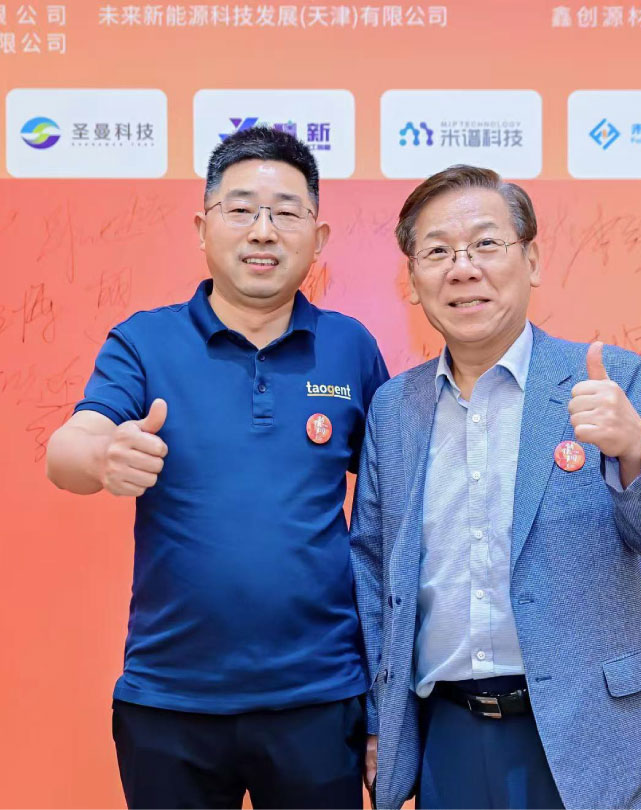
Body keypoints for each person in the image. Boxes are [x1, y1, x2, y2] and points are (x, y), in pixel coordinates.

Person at [46, 126, 389, 809]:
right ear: (203, 228)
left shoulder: (350, 348)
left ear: (318, 238)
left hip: (319, 698)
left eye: (286, 212)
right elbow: (68, 449)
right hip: (170, 700)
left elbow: (393, 509)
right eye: (241, 210)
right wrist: (103, 455)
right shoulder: (144, 341)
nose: (263, 231)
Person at [351, 165, 641, 809]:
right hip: (448, 733)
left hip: (593, 732)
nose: (463, 269)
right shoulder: (395, 410)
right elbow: (373, 573)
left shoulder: (610, 380)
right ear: (413, 280)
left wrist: (633, 450)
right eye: (437, 252)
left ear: (531, 260)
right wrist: (378, 720)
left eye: (486, 244)